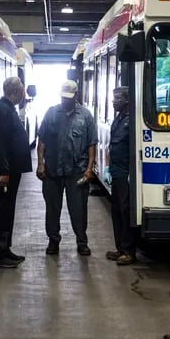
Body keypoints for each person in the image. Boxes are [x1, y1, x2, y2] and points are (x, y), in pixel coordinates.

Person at [36, 80, 98, 256]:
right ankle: (53, 241)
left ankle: (82, 242)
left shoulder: (85, 116)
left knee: (78, 209)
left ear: (76, 95)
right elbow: (42, 141)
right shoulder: (51, 113)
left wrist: (89, 168)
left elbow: (91, 144)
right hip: (53, 171)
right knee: (52, 209)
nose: (65, 100)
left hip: (76, 171)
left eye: (69, 98)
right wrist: (40, 164)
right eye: (63, 97)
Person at [0, 76, 32, 268]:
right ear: (16, 91)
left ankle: (4, 249)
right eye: (22, 91)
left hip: (9, 171)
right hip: (2, 173)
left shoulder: (7, 108)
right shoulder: (2, 111)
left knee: (7, 211)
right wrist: (4, 171)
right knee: (1, 211)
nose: (23, 94)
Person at [104, 86, 136, 265]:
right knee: (115, 210)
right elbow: (112, 145)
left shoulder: (132, 121)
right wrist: (108, 167)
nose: (113, 101)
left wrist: (132, 173)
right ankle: (120, 248)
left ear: (127, 100)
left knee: (125, 212)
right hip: (116, 172)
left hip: (125, 173)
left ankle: (129, 251)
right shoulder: (118, 119)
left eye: (117, 98)